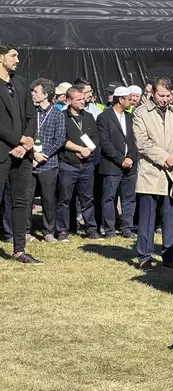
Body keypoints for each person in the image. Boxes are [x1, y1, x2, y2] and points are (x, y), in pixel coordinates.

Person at [133, 77, 173, 270]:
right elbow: (142, 142)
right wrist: (164, 157)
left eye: (168, 95)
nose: (165, 99)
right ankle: (145, 256)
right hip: (152, 171)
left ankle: (169, 256)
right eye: (161, 95)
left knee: (171, 217)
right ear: (152, 94)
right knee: (147, 217)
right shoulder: (140, 113)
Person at [0, 41, 46, 264]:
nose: (18, 60)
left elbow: (31, 117)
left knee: (22, 202)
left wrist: (26, 145)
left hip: (23, 154)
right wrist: (18, 139)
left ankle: (19, 250)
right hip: (2, 151)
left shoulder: (21, 83)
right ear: (1, 57)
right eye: (13, 55)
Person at [56, 86, 102, 241]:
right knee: (65, 199)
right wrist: (79, 149)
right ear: (69, 101)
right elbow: (61, 139)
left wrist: (88, 150)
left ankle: (91, 229)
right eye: (79, 99)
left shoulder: (88, 117)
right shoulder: (61, 116)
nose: (83, 102)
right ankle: (62, 230)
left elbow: (95, 137)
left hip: (87, 165)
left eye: (84, 99)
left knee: (87, 199)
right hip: (68, 165)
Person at [27, 78, 66, 243]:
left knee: (48, 199)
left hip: (48, 164)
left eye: (36, 91)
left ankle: (48, 231)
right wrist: (32, 154)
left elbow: (60, 139)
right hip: (29, 162)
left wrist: (44, 155)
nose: (33, 94)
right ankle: (25, 231)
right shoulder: (30, 112)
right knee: (26, 199)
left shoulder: (57, 114)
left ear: (46, 94)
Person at [96, 86, 138, 239]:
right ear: (120, 100)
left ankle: (127, 228)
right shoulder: (104, 118)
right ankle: (110, 230)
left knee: (129, 198)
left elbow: (136, 141)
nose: (132, 101)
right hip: (112, 165)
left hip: (130, 165)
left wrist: (131, 158)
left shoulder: (131, 117)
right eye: (128, 98)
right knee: (109, 198)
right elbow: (105, 143)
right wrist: (121, 160)